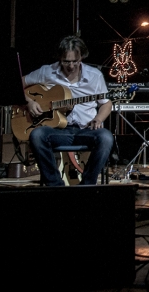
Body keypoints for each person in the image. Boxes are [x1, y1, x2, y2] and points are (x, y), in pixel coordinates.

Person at [23, 35, 114, 186]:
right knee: (37, 134)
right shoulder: (47, 71)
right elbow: (18, 84)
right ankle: (56, 186)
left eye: (75, 61)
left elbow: (106, 103)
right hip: (58, 130)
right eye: (66, 61)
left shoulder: (94, 76)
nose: (71, 66)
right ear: (60, 58)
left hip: (86, 130)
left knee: (106, 137)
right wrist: (30, 102)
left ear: (82, 57)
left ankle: (87, 186)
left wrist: (98, 119)